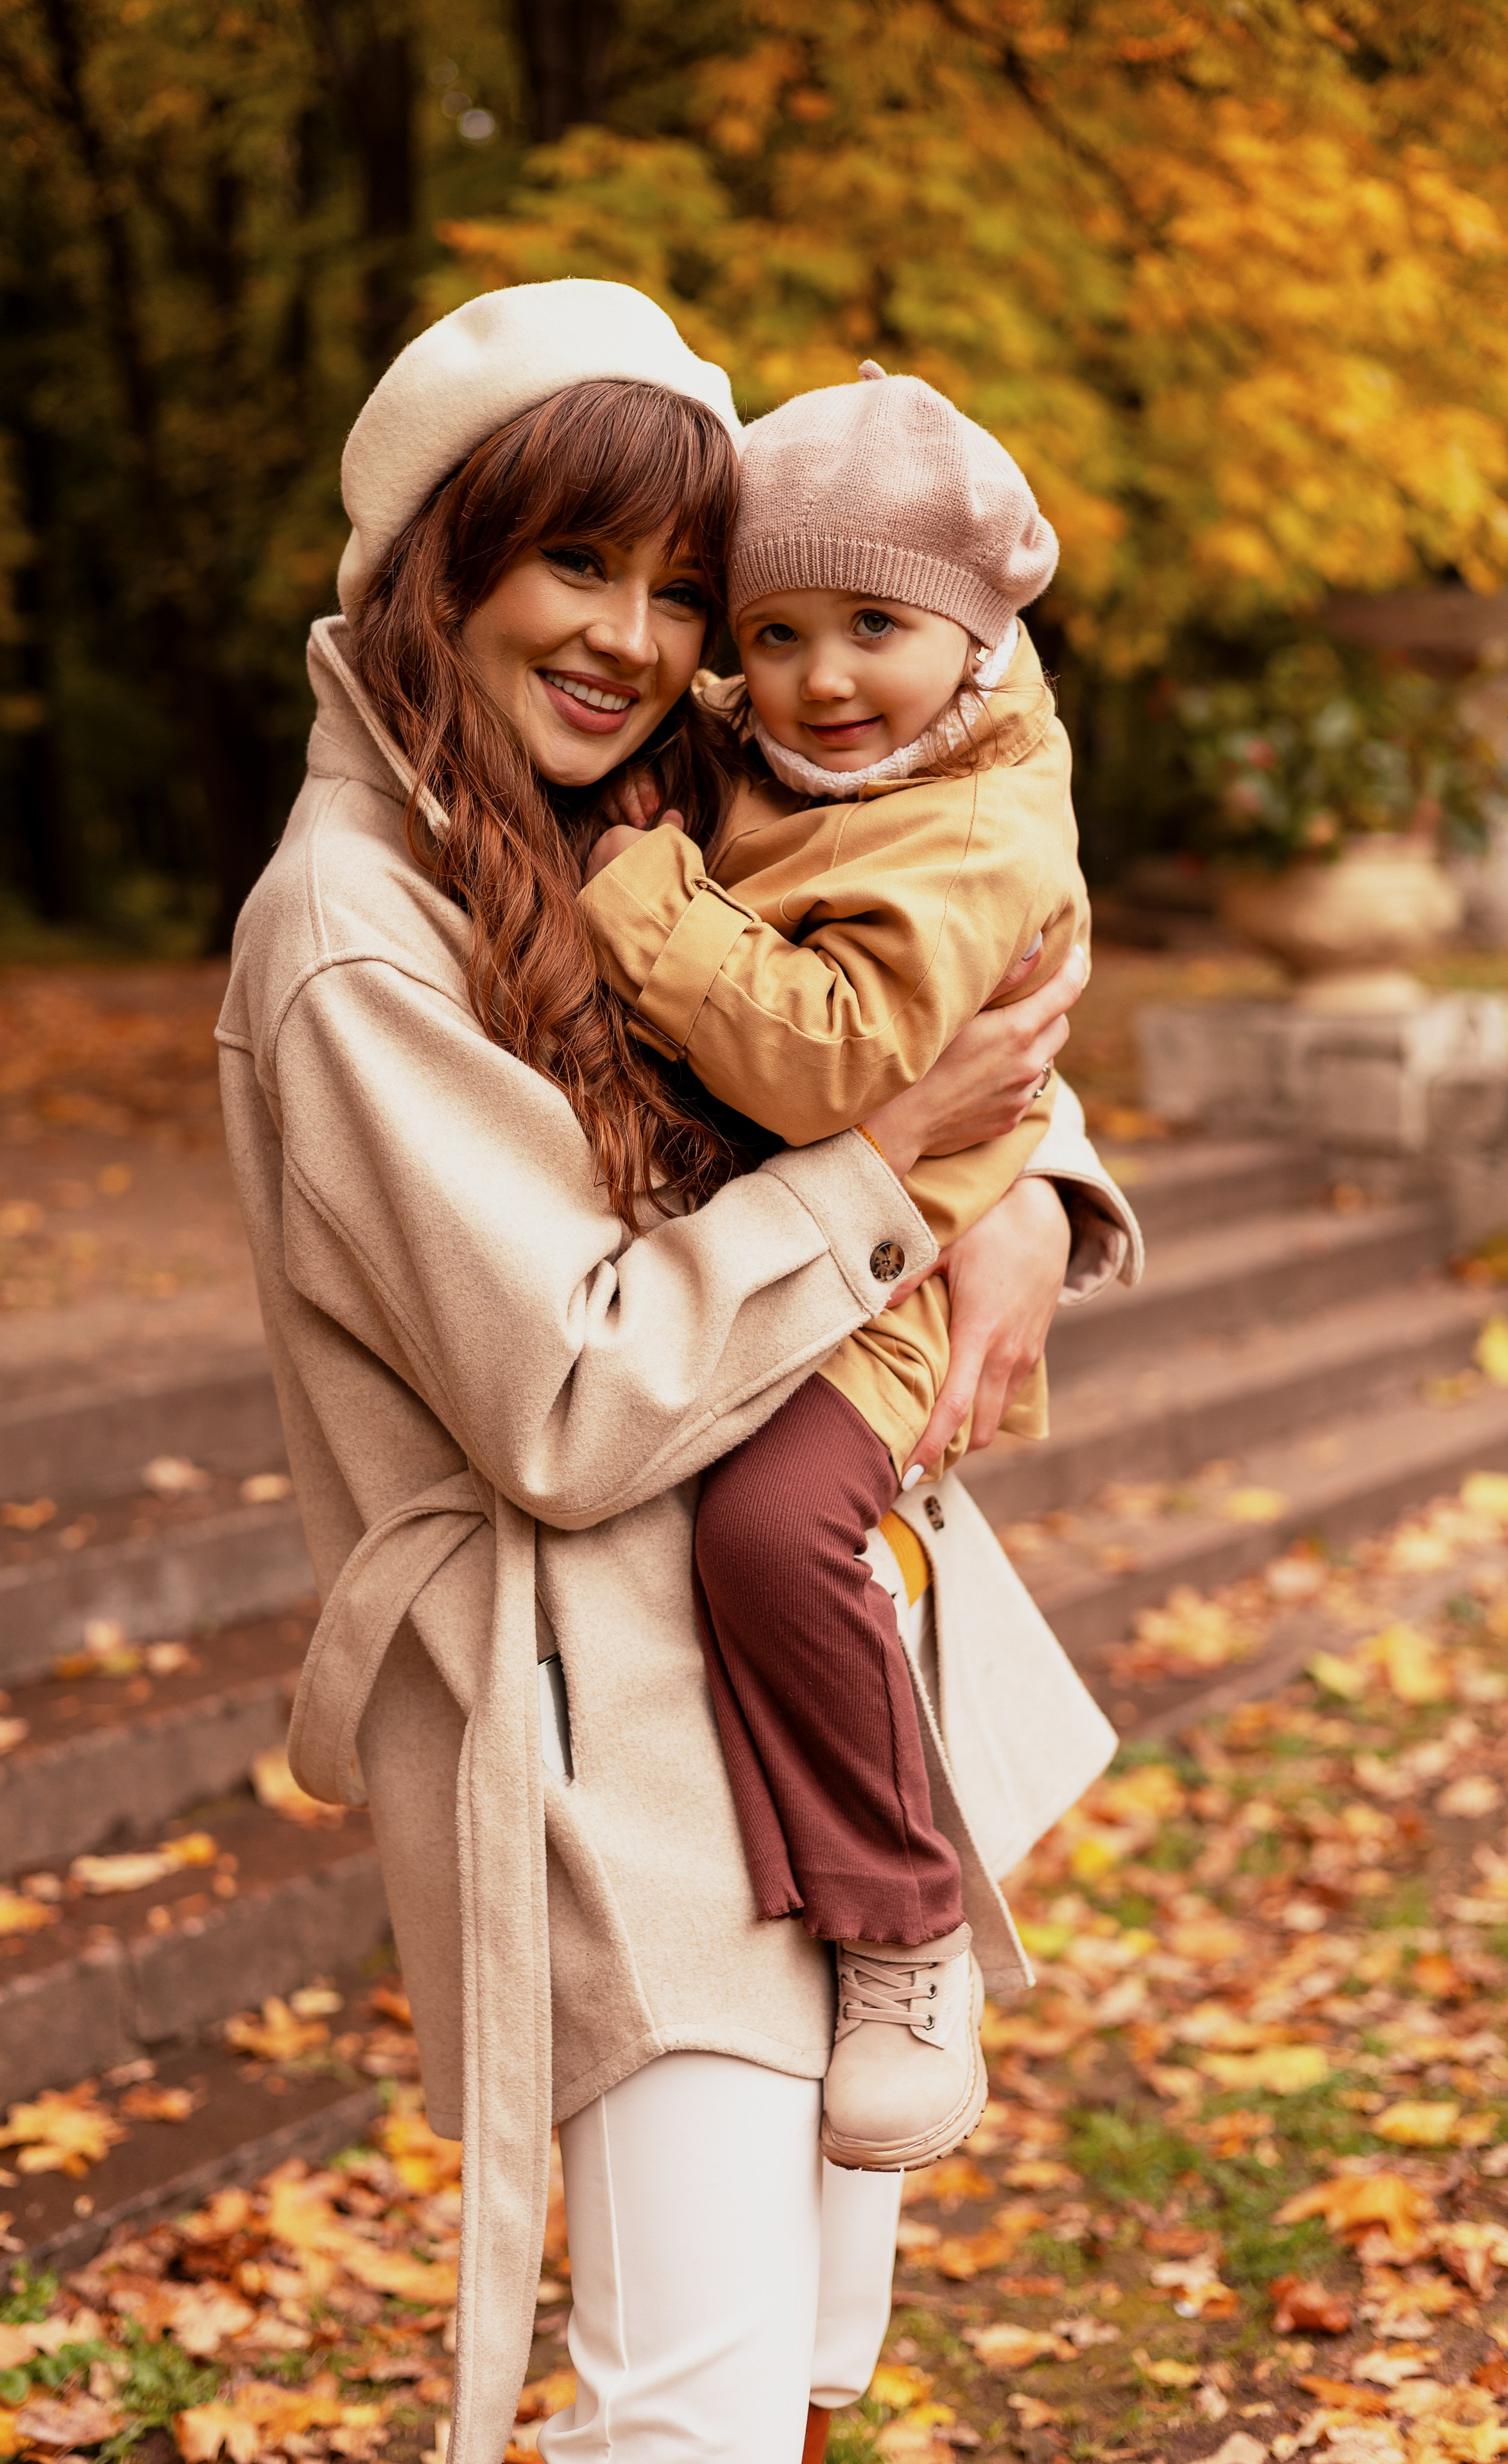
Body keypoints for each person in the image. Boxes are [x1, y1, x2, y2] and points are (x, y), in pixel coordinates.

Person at [218, 279, 1140, 2464]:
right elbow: (573, 1402)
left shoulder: (652, 794)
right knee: (698, 2409)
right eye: (574, 565)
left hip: (809, 1687)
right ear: (437, 563)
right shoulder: (357, 930)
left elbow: (907, 972)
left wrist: (1021, 1186)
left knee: (810, 2368)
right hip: (605, 1741)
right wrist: (901, 1179)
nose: (637, 635)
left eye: (681, 587)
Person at [574, 364, 1099, 2173]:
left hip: (881, 1285)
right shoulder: (787, 765)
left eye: (876, 626)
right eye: (777, 632)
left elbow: (828, 1060)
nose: (821, 681)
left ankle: (903, 1926)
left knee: (768, 1528)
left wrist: (643, 901)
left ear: (970, 636)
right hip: (783, 1253)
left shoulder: (973, 824)